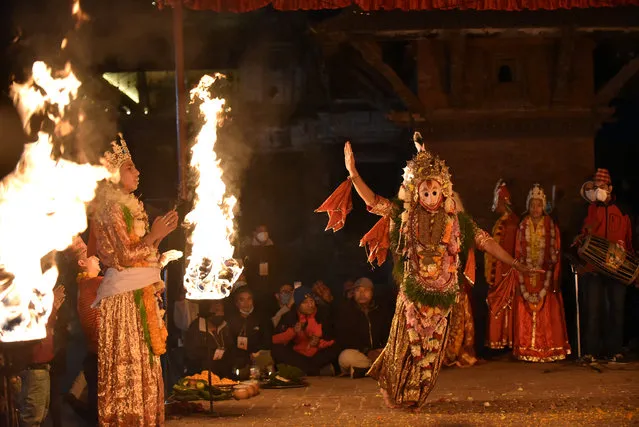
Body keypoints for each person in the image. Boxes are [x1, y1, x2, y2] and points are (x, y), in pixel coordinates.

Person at [316, 134, 538, 409]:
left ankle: (414, 395)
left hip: (442, 295)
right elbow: (373, 201)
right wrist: (353, 173)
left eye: (435, 192)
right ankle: (395, 389)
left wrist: (514, 263)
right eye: (425, 192)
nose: (431, 198)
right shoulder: (404, 214)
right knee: (405, 346)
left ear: (443, 191)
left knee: (429, 354)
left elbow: (484, 241)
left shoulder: (455, 220)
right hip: (413, 294)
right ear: (416, 192)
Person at [89, 135, 180, 426]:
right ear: (115, 174)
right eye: (130, 167)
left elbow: (138, 256)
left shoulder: (128, 206)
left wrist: (158, 251)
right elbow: (125, 257)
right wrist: (154, 237)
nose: (138, 172)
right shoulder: (110, 208)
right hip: (124, 300)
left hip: (139, 294)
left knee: (144, 361)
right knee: (128, 366)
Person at [578, 169, 634, 362]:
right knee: (593, 310)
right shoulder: (591, 209)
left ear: (610, 188)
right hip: (593, 268)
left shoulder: (623, 211)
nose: (598, 190)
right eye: (595, 188)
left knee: (616, 310)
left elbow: (630, 241)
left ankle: (614, 351)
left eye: (602, 187)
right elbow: (583, 236)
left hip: (618, 268)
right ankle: (590, 352)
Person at [511, 185, 571, 362]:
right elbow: (518, 250)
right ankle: (526, 348)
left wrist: (553, 274)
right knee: (526, 307)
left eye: (538, 205)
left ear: (543, 206)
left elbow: (556, 251)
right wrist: (522, 269)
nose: (535, 209)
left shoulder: (550, 225)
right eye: (532, 205)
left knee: (547, 310)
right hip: (527, 274)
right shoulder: (523, 225)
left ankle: (549, 348)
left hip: (546, 275)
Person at [443, 193, 479, 368]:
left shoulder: (465, 227)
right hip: (436, 279)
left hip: (456, 278)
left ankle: (453, 351)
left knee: (459, 314)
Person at [271, 286, 340, 376]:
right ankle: (314, 371)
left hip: (318, 354)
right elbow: (275, 339)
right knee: (277, 350)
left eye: (311, 301)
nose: (310, 305)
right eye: (305, 302)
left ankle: (304, 371)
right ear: (298, 304)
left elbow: (333, 338)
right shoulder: (289, 316)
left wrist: (319, 342)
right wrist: (293, 332)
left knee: (336, 348)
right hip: (299, 356)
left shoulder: (324, 314)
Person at [485, 180, 520, 350]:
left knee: (506, 304)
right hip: (499, 269)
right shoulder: (503, 221)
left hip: (506, 271)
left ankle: (506, 341)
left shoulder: (510, 222)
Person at [336, 278, 391, 378]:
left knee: (392, 354)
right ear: (354, 293)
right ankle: (375, 369)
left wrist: (380, 350)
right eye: (358, 290)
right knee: (345, 357)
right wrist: (367, 351)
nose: (362, 294)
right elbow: (345, 338)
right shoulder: (347, 311)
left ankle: (363, 371)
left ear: (372, 293)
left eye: (366, 290)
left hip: (377, 353)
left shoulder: (379, 310)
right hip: (360, 354)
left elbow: (387, 333)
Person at [226, 287, 273, 379]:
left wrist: (257, 352)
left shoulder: (262, 318)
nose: (246, 303)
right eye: (242, 300)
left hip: (260, 358)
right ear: (236, 303)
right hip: (239, 361)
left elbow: (268, 339)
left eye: (249, 299)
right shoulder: (230, 321)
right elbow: (229, 343)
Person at [184, 300, 233, 378]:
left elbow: (230, 348)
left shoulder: (225, 326)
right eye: (216, 310)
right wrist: (212, 353)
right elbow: (191, 354)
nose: (219, 315)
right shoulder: (196, 328)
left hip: (223, 376)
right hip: (201, 377)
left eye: (222, 311)